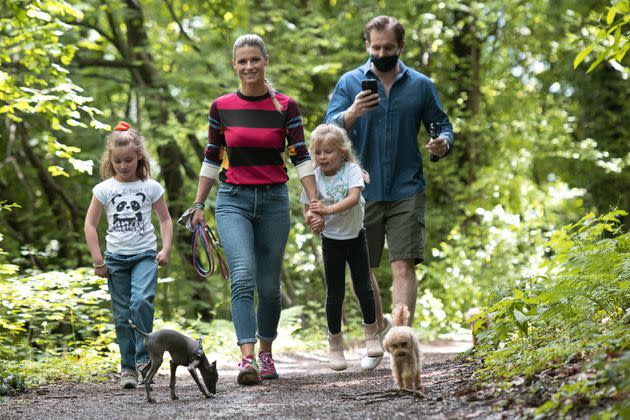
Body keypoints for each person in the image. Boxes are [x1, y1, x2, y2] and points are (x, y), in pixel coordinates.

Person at [324, 15, 454, 370]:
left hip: (406, 186)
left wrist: (442, 143)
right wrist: (351, 113)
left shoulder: (421, 85)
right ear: (367, 46)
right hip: (358, 188)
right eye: (375, 47)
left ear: (401, 47)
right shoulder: (350, 82)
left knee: (403, 262)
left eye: (388, 48)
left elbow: (442, 125)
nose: (382, 53)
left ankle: (401, 340)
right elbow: (327, 130)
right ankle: (379, 326)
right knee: (362, 268)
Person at [190, 34, 321, 386]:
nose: (249, 66)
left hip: (274, 200)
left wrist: (313, 200)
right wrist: (199, 203)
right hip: (232, 199)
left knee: (269, 286)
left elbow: (300, 155)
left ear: (265, 61)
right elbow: (211, 156)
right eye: (242, 61)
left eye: (255, 60)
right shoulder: (221, 107)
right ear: (234, 65)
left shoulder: (285, 107)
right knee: (243, 276)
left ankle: (266, 352)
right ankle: (247, 358)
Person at [84, 121, 173, 389]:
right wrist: (98, 260)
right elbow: (90, 225)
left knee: (141, 302)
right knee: (122, 315)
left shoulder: (150, 187)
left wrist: (165, 249)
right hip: (116, 260)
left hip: (145, 256)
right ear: (110, 160)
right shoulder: (104, 189)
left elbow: (165, 220)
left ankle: (145, 359)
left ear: (139, 158)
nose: (124, 166)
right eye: (118, 161)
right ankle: (128, 368)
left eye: (129, 161)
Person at [301, 124, 384, 371]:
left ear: (342, 152)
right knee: (334, 294)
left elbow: (353, 198)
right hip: (331, 242)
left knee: (364, 287)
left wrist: (326, 211)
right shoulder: (312, 178)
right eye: (318, 153)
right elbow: (308, 210)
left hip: (356, 238)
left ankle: (372, 335)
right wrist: (313, 221)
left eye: (328, 151)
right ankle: (335, 345)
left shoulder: (352, 170)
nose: (322, 157)